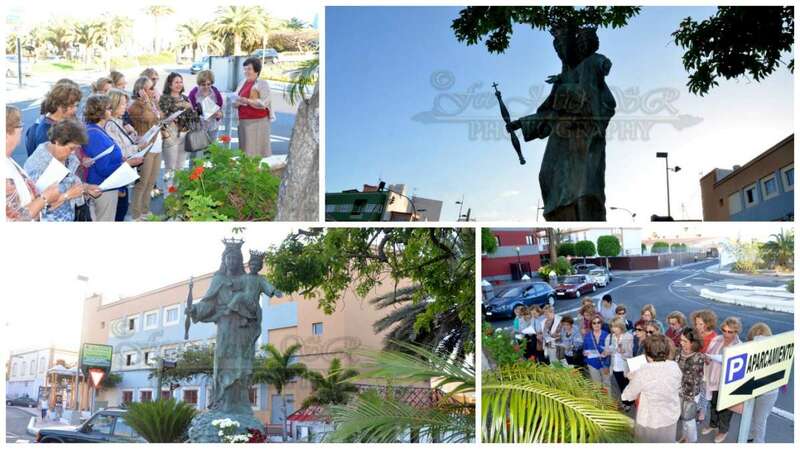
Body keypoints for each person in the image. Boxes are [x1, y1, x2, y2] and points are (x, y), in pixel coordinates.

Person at [24, 119, 102, 221]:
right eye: (71, 148)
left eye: (76, 148)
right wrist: (68, 195)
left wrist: (86, 188)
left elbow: (71, 182)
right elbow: (36, 208)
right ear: (57, 141)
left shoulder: (68, 157)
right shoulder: (37, 165)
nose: (73, 153)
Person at [82, 94, 143, 221]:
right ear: (100, 112)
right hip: (103, 186)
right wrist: (128, 164)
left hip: (106, 185)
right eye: (109, 108)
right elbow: (103, 168)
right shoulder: (94, 134)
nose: (111, 110)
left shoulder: (97, 129)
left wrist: (122, 160)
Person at [621, 334, 682, 442]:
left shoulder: (643, 371)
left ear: (648, 355)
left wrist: (632, 378)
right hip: (670, 416)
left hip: (650, 419)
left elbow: (627, 396)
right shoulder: (674, 366)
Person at [105, 89, 154, 221]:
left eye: (126, 103)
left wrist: (134, 138)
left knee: (121, 209)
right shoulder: (110, 124)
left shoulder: (118, 121)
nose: (125, 107)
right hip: (118, 172)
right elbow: (120, 151)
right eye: (122, 104)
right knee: (118, 211)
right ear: (113, 105)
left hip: (122, 172)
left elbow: (124, 143)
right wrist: (138, 147)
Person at [6, 105, 61, 221]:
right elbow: (16, 219)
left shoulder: (7, 159)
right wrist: (46, 197)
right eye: (19, 125)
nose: (21, 128)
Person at [701, 316, 742, 443]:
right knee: (713, 404)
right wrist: (707, 358)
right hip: (714, 378)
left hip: (727, 382)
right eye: (724, 330)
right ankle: (713, 424)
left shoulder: (739, 346)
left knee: (725, 408)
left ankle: (723, 431)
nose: (726, 334)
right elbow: (709, 353)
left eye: (730, 332)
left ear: (736, 332)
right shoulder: (717, 339)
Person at [128, 76, 162, 219]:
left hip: (157, 145)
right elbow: (149, 118)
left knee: (151, 182)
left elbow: (160, 117)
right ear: (141, 90)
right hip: (146, 147)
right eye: (151, 88)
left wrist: (154, 102)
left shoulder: (153, 102)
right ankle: (136, 214)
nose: (154, 90)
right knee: (142, 182)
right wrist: (148, 102)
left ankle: (145, 210)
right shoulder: (136, 105)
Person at [25, 81, 82, 156]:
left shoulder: (58, 123)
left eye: (76, 105)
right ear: (60, 106)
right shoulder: (47, 133)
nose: (75, 109)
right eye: (72, 106)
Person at [745, 323, 780, 443]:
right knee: (750, 416)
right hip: (754, 388)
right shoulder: (750, 348)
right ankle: (749, 436)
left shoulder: (775, 351)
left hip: (767, 392)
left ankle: (759, 442)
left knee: (760, 420)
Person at [159, 72, 199, 174]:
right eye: (176, 82)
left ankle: (177, 190)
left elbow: (194, 118)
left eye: (181, 82)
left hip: (185, 134)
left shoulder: (185, 98)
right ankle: (169, 190)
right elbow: (162, 117)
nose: (179, 84)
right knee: (170, 168)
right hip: (171, 134)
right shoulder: (164, 98)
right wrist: (181, 106)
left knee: (180, 167)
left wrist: (191, 109)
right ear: (169, 84)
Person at [234, 57, 274, 157]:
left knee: (255, 152)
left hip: (257, 122)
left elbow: (264, 102)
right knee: (245, 151)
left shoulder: (262, 84)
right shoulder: (243, 82)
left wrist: (247, 101)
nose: (246, 71)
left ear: (256, 70)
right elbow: (236, 98)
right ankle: (248, 172)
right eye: (245, 69)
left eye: (249, 69)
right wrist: (236, 102)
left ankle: (256, 172)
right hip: (243, 122)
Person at [676, 328, 705, 443]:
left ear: (693, 343)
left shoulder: (698, 358)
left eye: (685, 341)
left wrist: (688, 398)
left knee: (688, 419)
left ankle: (692, 441)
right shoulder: (679, 352)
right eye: (681, 340)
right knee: (683, 418)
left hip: (690, 394)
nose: (681, 343)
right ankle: (685, 437)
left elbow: (695, 381)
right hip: (678, 390)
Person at [691, 309, 718, 422]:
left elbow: (711, 358)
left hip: (707, 370)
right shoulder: (696, 334)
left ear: (708, 323)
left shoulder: (714, 338)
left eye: (700, 324)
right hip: (696, 367)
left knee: (704, 392)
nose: (697, 326)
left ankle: (702, 412)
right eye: (696, 323)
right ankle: (697, 408)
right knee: (696, 389)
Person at [604, 317, 633, 408]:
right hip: (615, 366)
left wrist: (623, 351)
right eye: (612, 327)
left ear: (621, 326)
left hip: (625, 366)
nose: (613, 329)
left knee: (627, 386)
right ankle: (625, 401)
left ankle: (629, 403)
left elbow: (630, 354)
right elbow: (607, 349)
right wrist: (606, 352)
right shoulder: (610, 337)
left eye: (615, 327)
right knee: (621, 385)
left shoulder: (628, 336)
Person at [188, 70, 224, 140]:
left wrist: (220, 114)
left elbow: (221, 107)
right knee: (199, 149)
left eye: (209, 84)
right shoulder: (194, 93)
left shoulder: (215, 92)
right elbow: (189, 110)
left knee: (212, 149)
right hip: (198, 127)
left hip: (213, 126)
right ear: (199, 83)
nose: (206, 87)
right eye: (203, 84)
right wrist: (197, 113)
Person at [583, 314, 611, 388]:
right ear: (591, 324)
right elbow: (585, 349)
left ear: (601, 323)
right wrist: (584, 353)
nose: (596, 324)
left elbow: (611, 352)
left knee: (606, 385)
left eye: (598, 322)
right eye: (594, 323)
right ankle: (600, 400)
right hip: (592, 363)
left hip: (604, 364)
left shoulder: (607, 335)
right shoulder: (587, 336)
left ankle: (608, 399)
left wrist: (607, 366)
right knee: (597, 385)